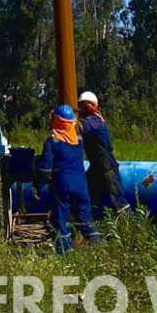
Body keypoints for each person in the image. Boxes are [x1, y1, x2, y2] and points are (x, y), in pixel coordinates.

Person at [38, 104, 100, 254]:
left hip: (63, 184)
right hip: (81, 185)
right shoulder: (78, 140)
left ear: (57, 121)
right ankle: (97, 247)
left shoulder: (53, 141)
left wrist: (39, 184)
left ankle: (66, 251)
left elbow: (46, 169)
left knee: (61, 219)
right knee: (84, 218)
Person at [78, 91, 129, 219]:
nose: (83, 108)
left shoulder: (94, 121)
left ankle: (130, 228)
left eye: (86, 105)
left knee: (118, 199)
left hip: (107, 167)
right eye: (81, 105)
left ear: (94, 106)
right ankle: (87, 222)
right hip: (97, 166)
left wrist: (65, 121)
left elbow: (81, 128)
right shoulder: (94, 119)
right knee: (88, 195)